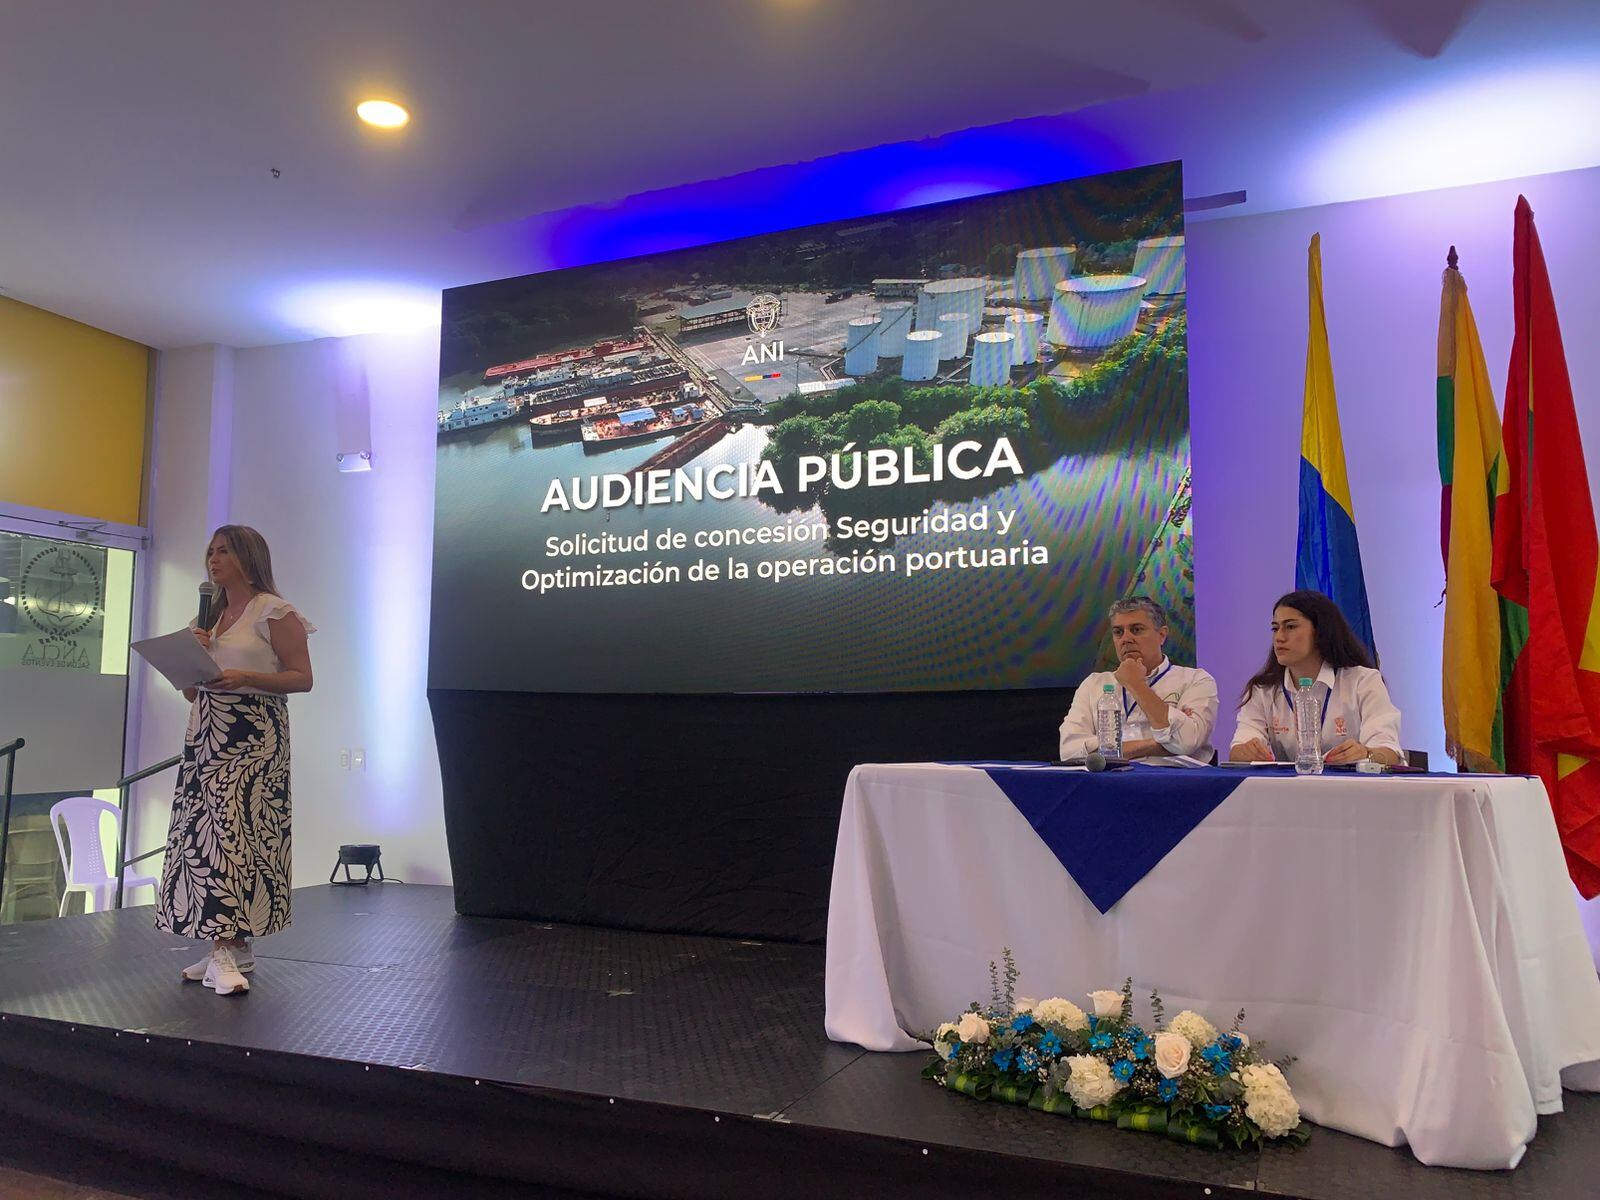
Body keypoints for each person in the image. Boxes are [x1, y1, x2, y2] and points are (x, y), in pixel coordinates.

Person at [155, 525, 315, 995]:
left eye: (224, 551)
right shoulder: (207, 618)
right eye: (210, 551)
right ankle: (229, 948)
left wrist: (245, 675)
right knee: (202, 839)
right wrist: (195, 656)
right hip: (207, 735)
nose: (214, 559)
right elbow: (190, 690)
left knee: (236, 836)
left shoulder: (273, 611)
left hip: (253, 738)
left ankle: (225, 950)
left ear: (248, 557)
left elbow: (302, 678)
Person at [1229, 589, 1403, 765]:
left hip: (1352, 790)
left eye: (1290, 627)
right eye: (1275, 628)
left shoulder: (1363, 681)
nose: (1279, 637)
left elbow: (1390, 753)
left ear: (1321, 632)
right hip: (1287, 791)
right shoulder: (1263, 690)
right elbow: (1238, 749)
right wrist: (1246, 752)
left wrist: (1367, 754)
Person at [1059, 596, 1219, 762]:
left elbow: (1187, 742)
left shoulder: (1195, 680)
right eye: (1118, 632)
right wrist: (1156, 744)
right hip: (1107, 782)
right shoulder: (1094, 684)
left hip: (1171, 781)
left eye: (1136, 630)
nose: (1126, 639)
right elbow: (1069, 750)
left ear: (1162, 635)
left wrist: (1136, 684)